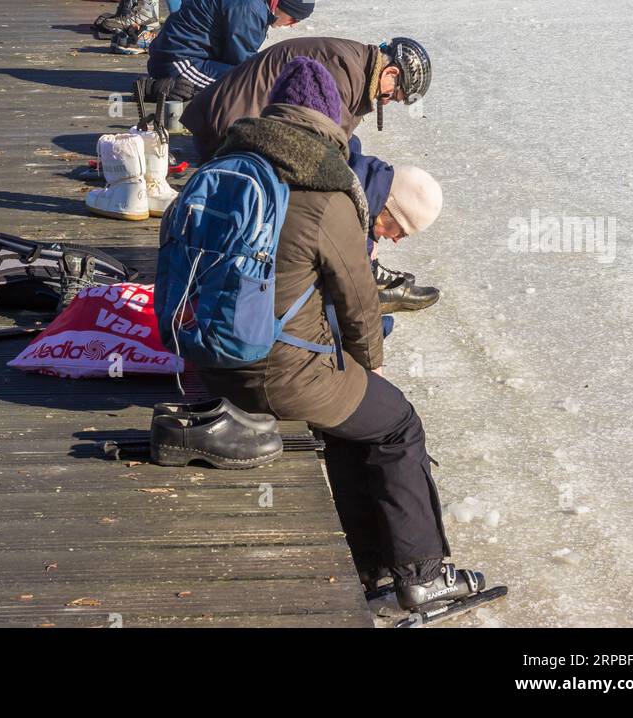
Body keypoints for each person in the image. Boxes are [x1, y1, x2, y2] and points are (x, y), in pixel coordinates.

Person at [197, 58, 484, 612]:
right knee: (397, 423)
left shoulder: (227, 166)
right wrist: (369, 365)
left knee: (354, 423)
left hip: (209, 361)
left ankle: (373, 564)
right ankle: (421, 575)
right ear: (328, 122)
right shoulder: (326, 193)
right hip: (274, 373)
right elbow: (358, 302)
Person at [181, 35, 431, 162]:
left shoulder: (356, 63)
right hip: (226, 137)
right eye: (394, 96)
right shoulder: (344, 70)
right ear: (391, 72)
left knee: (354, 151)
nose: (386, 102)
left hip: (234, 124)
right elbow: (325, 149)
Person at [146, 0, 315, 98]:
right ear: (282, 6)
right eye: (293, 20)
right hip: (178, 60)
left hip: (189, 52)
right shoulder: (250, 7)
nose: (291, 25)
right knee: (244, 85)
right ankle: (157, 88)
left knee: (251, 81)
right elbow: (243, 63)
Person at [347, 136, 441, 312]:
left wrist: (368, 232)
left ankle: (370, 269)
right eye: (402, 232)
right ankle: (370, 273)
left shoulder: (354, 166)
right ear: (389, 207)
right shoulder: (343, 210)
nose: (396, 240)